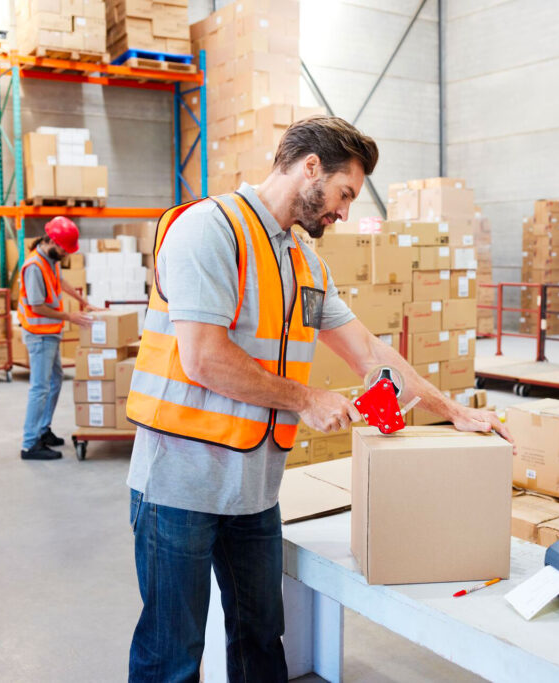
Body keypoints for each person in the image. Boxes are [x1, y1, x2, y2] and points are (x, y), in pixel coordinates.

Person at [124, 116, 513, 681]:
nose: (344, 212)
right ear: (311, 168)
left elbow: (368, 352)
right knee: (171, 654)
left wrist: (455, 413)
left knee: (260, 640)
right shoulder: (209, 230)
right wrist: (306, 398)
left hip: (253, 491)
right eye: (343, 193)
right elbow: (203, 357)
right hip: (179, 484)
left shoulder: (304, 263)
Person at [18, 216, 98, 461]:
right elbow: (37, 306)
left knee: (55, 380)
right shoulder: (34, 266)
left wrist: (84, 301)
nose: (64, 254)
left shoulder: (49, 260)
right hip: (39, 334)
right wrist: (70, 316)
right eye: (63, 249)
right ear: (51, 240)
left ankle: (43, 430)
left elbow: (60, 281)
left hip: (51, 332)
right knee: (40, 388)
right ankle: (30, 444)